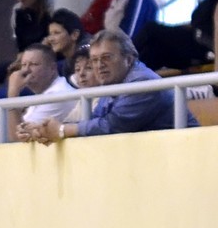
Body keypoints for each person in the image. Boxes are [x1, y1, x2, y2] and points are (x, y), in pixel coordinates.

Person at [19, 30, 197, 143]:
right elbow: (95, 120)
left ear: (128, 59)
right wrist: (41, 129)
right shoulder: (112, 83)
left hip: (185, 156)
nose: (99, 65)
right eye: (94, 60)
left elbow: (112, 126)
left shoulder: (142, 82)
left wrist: (61, 130)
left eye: (106, 58)